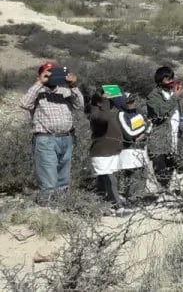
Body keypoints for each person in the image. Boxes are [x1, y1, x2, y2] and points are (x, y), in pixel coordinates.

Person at [19, 62, 84, 197]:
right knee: (48, 180)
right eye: (48, 73)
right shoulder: (37, 92)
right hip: (46, 139)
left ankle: (62, 208)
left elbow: (79, 105)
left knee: (63, 179)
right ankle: (48, 211)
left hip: (67, 138)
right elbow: (25, 104)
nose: (51, 76)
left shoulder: (64, 91)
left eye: (53, 73)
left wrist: (73, 86)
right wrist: (40, 83)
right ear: (41, 75)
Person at [145, 64, 183, 194]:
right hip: (160, 135)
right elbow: (160, 111)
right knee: (160, 164)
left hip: (174, 133)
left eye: (171, 78)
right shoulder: (153, 96)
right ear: (160, 80)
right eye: (167, 79)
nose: (170, 81)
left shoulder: (172, 93)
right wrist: (175, 97)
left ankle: (168, 189)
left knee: (172, 163)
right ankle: (163, 190)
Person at [87, 89, 127, 214]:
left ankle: (104, 204)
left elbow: (123, 105)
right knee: (110, 179)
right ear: (100, 102)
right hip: (101, 153)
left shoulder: (106, 111)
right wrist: (104, 100)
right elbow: (103, 119)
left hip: (109, 152)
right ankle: (118, 206)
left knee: (104, 180)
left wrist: (118, 97)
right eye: (106, 101)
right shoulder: (95, 113)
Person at [115, 92, 149, 205]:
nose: (133, 103)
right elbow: (128, 133)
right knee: (132, 175)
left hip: (141, 148)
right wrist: (143, 128)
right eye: (129, 101)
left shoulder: (140, 111)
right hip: (129, 150)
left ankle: (138, 198)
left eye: (133, 100)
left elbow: (149, 124)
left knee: (142, 174)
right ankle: (130, 199)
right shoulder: (121, 114)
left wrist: (143, 133)